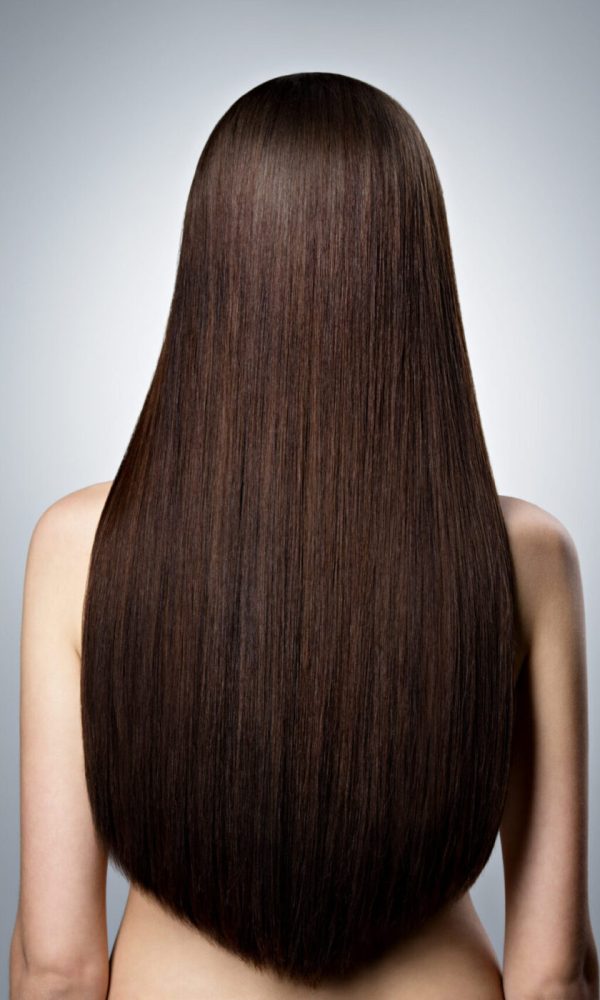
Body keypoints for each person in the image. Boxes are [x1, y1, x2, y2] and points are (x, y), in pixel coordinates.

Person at [10, 73, 599, 1000]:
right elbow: (553, 974)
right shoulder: (527, 558)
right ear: (416, 276)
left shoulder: (79, 548)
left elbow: (57, 967)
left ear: (212, 272)